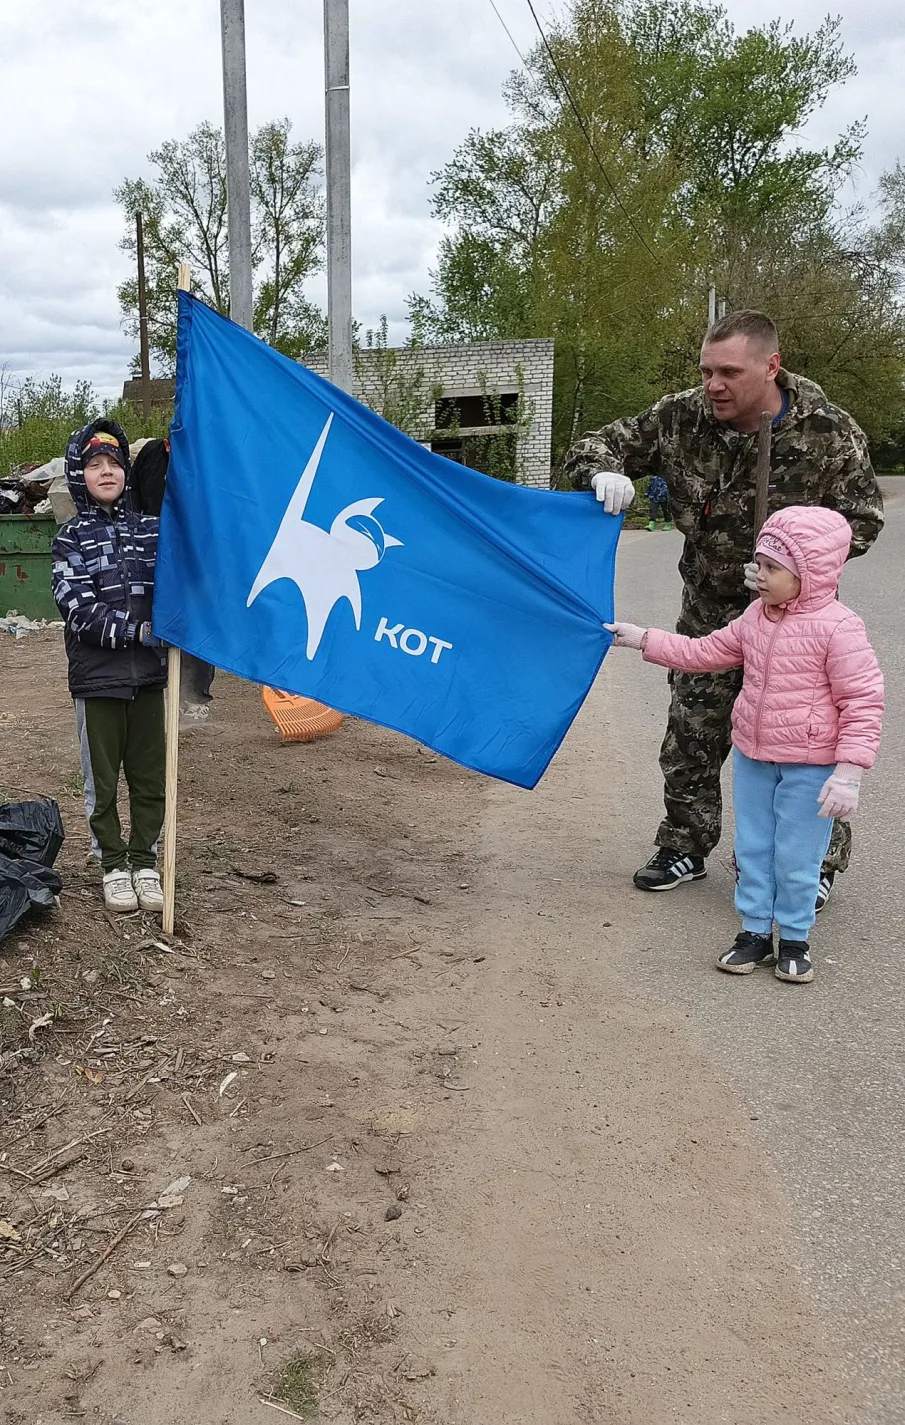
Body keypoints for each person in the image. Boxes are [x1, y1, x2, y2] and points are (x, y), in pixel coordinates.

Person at [564, 309, 883, 910]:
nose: (714, 385)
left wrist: (797, 568)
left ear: (771, 367)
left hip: (801, 627)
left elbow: (862, 520)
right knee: (692, 734)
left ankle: (811, 863)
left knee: (805, 747)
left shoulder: (827, 431)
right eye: (707, 371)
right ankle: (684, 843)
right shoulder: (680, 416)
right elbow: (594, 444)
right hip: (709, 612)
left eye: (729, 372)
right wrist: (602, 471)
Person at [606, 505, 883, 982]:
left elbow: (863, 700)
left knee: (797, 856)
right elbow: (705, 651)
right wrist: (643, 639)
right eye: (760, 564)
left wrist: (849, 773)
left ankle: (795, 937)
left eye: (774, 568)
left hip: (810, 765)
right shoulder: (755, 616)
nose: (760, 575)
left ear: (810, 574)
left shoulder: (839, 627)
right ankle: (754, 931)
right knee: (753, 848)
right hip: (756, 757)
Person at [52, 421, 167, 913]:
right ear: (80, 475)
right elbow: (77, 607)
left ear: (125, 473)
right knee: (101, 779)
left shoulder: (152, 529)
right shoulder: (68, 539)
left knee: (150, 776)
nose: (105, 472)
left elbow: (179, 587)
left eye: (114, 464)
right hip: (98, 679)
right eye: (94, 465)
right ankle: (113, 864)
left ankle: (145, 859)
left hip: (151, 677)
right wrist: (137, 631)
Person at [130, 437, 216, 720]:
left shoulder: (205, 458)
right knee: (156, 620)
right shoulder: (151, 454)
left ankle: (195, 695)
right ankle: (161, 691)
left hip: (196, 554)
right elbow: (134, 500)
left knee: (195, 622)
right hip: (154, 554)